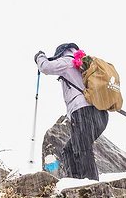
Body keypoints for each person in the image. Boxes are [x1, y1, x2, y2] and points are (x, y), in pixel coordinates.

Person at [34, 43, 108, 181]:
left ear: (61, 53)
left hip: (83, 111)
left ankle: (91, 184)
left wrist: (40, 56)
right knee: (69, 150)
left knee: (82, 148)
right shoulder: (84, 64)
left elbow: (45, 67)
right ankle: (74, 182)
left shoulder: (67, 61)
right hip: (101, 114)